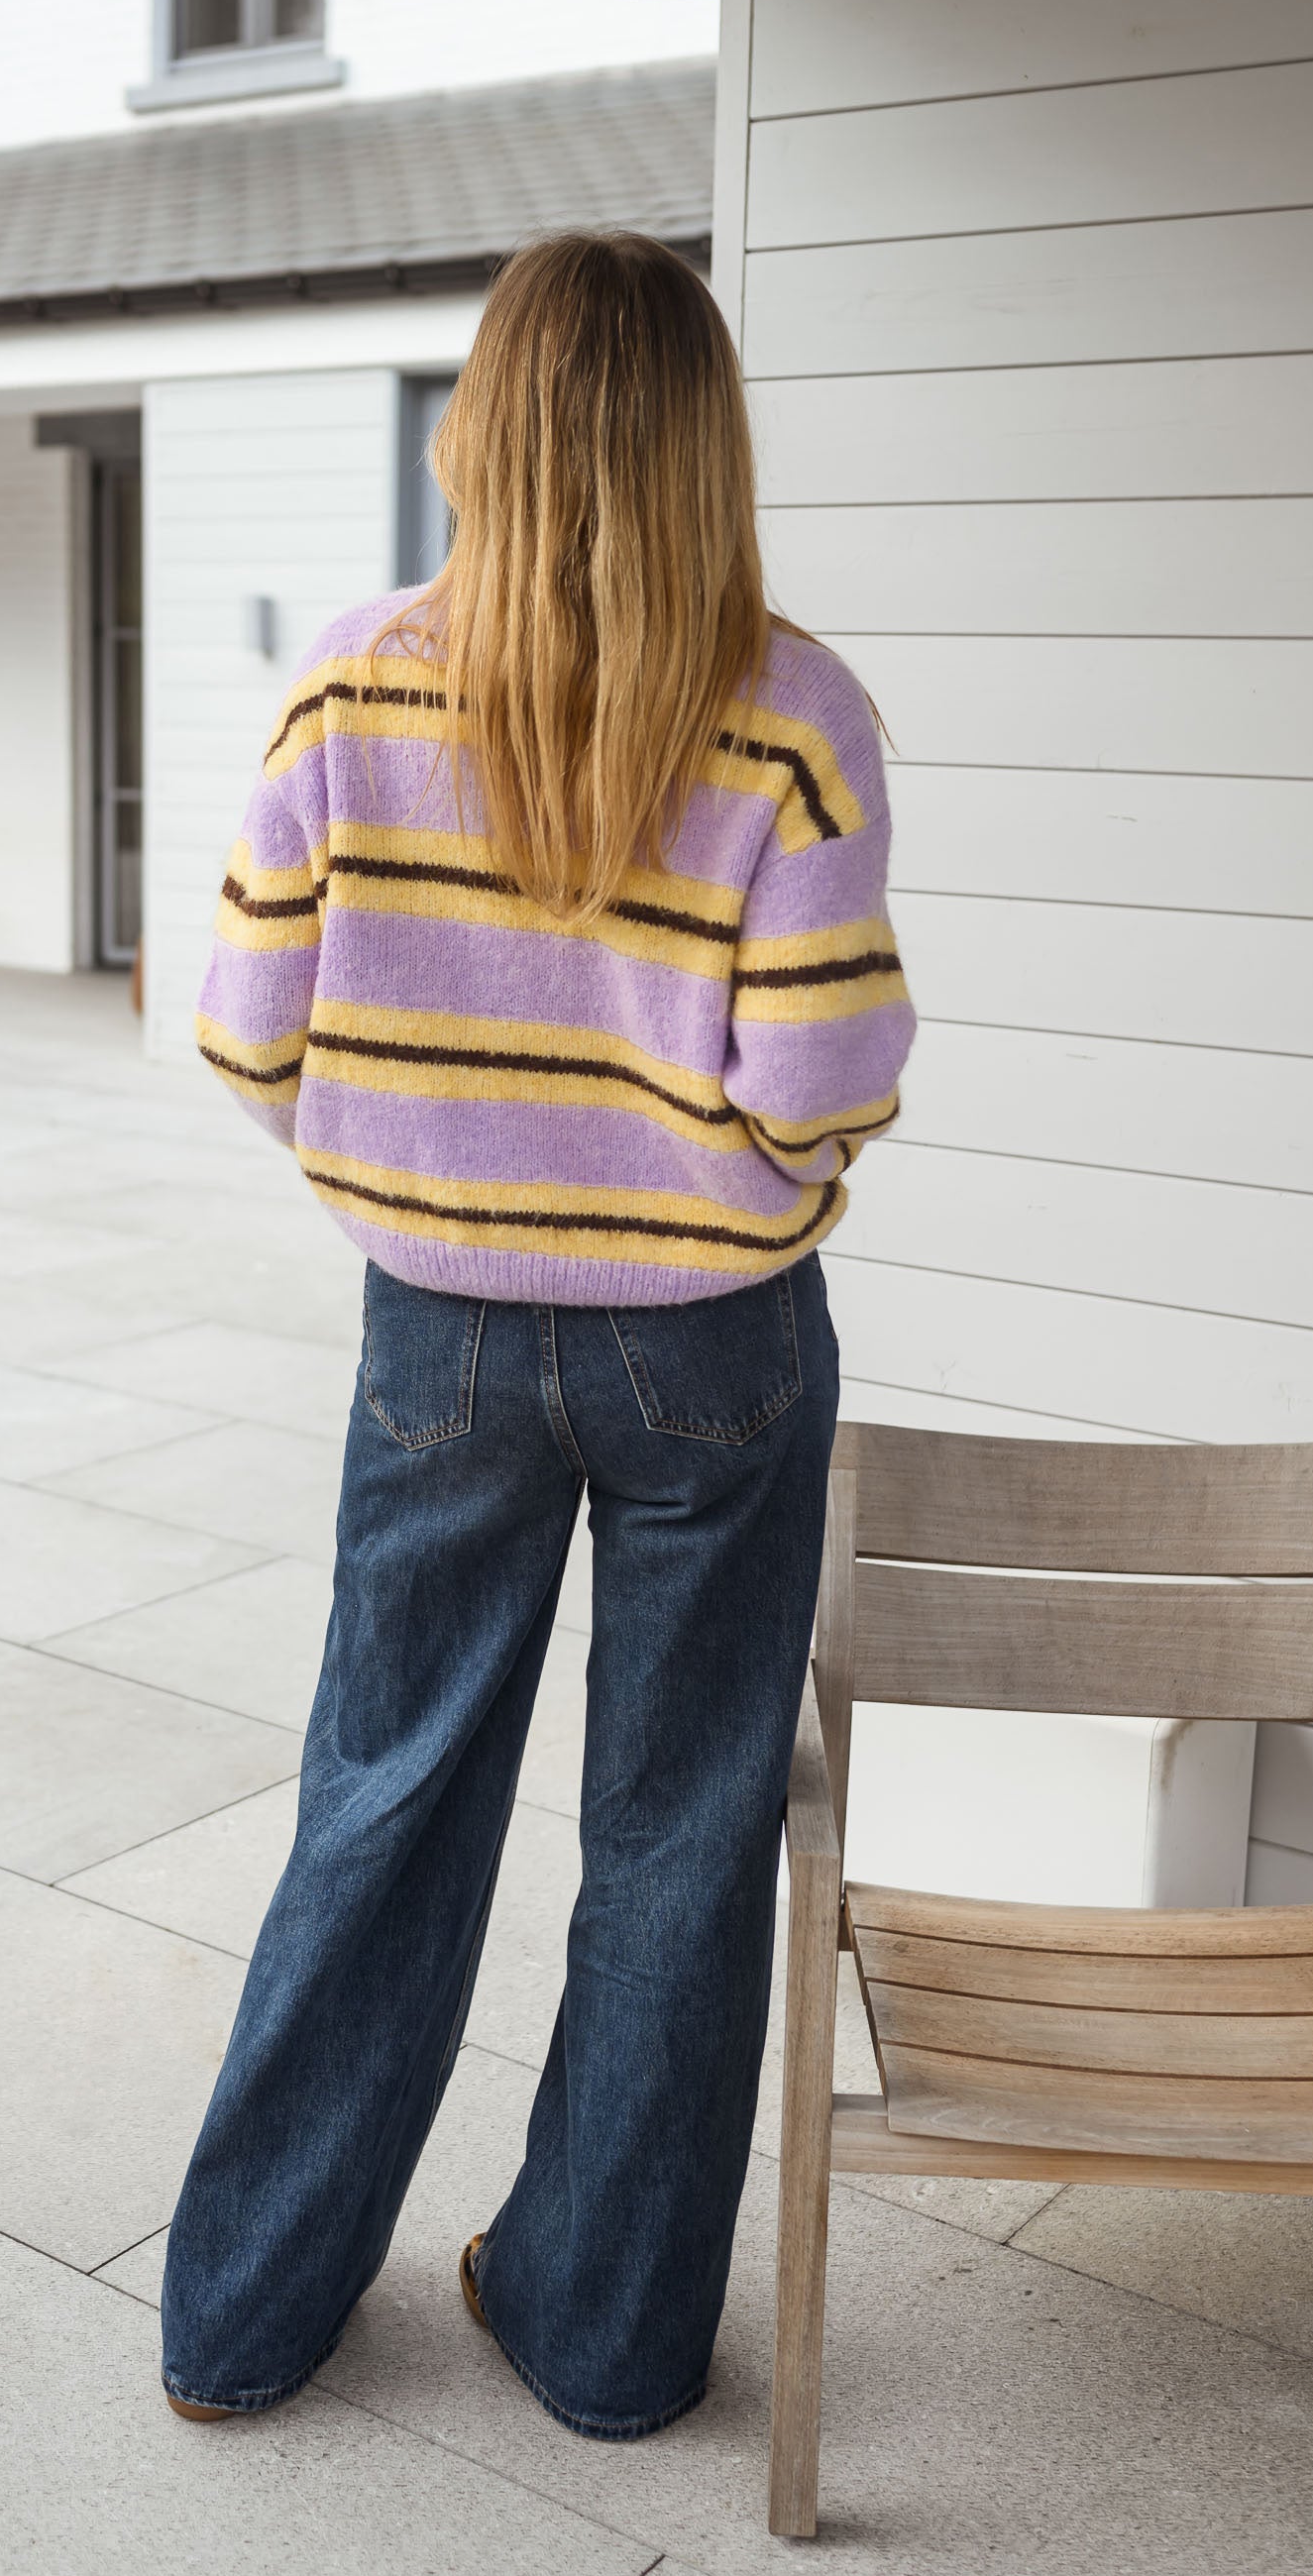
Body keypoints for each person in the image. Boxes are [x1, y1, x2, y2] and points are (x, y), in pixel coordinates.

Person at [161, 230, 916, 2441]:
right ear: (703, 440)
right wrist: (762, 1194)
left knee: (379, 1802)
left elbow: (242, 1027)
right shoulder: (795, 711)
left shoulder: (355, 682)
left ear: (476, 430)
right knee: (680, 1836)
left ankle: (244, 2318)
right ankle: (598, 2339)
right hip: (719, 1344)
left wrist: (408, 1179)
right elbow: (813, 1080)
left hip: (443, 1335)